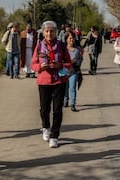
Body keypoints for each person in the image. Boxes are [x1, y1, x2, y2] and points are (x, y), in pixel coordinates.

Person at [31, 20, 72, 148]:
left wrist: (59, 65)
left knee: (57, 110)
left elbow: (69, 64)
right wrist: (40, 66)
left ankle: (54, 136)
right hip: (44, 81)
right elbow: (33, 64)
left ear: (56, 32)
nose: (49, 34)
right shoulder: (39, 46)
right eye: (47, 31)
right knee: (44, 109)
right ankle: (45, 127)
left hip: (59, 81)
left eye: (52, 31)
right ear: (43, 32)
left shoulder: (61, 45)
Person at [63, 31, 83, 111]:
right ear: (66, 39)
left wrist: (76, 62)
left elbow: (80, 60)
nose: (71, 40)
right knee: (65, 88)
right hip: (64, 71)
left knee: (72, 88)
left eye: (73, 38)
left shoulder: (77, 50)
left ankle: (73, 104)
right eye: (70, 38)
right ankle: (65, 101)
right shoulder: (63, 49)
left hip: (73, 71)